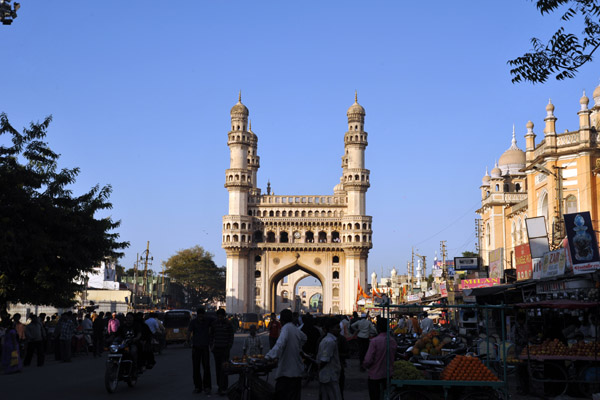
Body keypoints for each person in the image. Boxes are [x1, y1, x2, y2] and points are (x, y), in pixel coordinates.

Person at [266, 309, 307, 400]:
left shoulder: (286, 328)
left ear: (282, 320)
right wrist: (298, 347)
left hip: (286, 374)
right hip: (297, 373)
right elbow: (304, 338)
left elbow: (279, 345)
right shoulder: (294, 328)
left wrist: (268, 357)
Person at [363, 318, 397, 400]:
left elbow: (368, 360)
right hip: (388, 375)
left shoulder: (374, 341)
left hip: (375, 375)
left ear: (378, 328)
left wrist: (365, 365)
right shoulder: (392, 341)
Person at [188, 306, 213, 394]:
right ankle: (198, 386)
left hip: (205, 347)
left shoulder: (208, 321)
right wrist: (188, 341)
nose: (201, 317)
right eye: (200, 316)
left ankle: (207, 386)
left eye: (202, 316)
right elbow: (189, 332)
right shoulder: (193, 322)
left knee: (206, 367)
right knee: (196, 368)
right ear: (198, 315)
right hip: (196, 347)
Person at [316, 317, 342, 400]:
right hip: (329, 376)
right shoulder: (329, 341)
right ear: (330, 329)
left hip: (329, 375)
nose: (340, 329)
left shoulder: (328, 340)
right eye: (337, 327)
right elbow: (324, 360)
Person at [210, 308, 234, 396]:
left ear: (224, 316)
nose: (220, 318)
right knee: (218, 369)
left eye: (221, 317)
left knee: (225, 368)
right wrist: (211, 346)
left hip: (225, 349)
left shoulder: (228, 324)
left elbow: (231, 335)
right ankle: (220, 387)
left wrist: (229, 346)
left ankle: (225, 387)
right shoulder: (214, 324)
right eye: (218, 317)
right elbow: (211, 336)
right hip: (217, 349)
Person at [511, 312, 529, 395]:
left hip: (524, 351)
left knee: (524, 370)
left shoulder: (524, 327)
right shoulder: (515, 328)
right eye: (522, 320)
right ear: (519, 320)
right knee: (519, 370)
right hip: (518, 351)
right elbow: (515, 339)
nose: (523, 321)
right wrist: (524, 341)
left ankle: (525, 387)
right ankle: (520, 388)